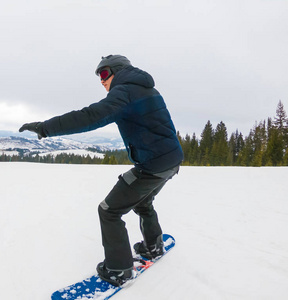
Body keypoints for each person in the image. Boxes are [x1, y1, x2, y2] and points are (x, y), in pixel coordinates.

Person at [19, 55, 183, 286]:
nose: (102, 81)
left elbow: (90, 116)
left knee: (109, 210)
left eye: (104, 74)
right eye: (99, 76)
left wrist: (45, 128)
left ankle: (119, 269)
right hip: (171, 160)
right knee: (143, 202)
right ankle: (153, 247)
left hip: (153, 165)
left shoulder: (125, 91)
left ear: (118, 70)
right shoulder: (148, 90)